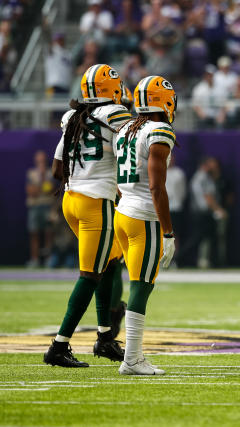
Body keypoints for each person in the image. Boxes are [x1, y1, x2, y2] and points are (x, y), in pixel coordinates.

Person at [44, 64, 130, 368]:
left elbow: (56, 170)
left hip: (70, 200)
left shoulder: (73, 117)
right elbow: (132, 152)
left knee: (109, 261)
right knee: (90, 274)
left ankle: (105, 337)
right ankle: (59, 345)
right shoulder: (116, 115)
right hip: (96, 203)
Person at [113, 75, 177, 375]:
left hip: (122, 213)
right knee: (141, 286)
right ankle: (132, 358)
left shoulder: (125, 127)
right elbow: (156, 187)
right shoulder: (159, 130)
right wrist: (168, 231)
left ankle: (133, 356)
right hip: (143, 217)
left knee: (137, 283)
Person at [26, 150, 56, 267]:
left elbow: (50, 190)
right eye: (39, 159)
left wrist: (42, 179)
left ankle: (49, 260)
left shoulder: (50, 173)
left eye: (42, 159)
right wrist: (42, 188)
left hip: (48, 206)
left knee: (49, 233)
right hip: (34, 207)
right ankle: (34, 260)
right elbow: (31, 192)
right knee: (34, 234)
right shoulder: (31, 173)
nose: (41, 162)